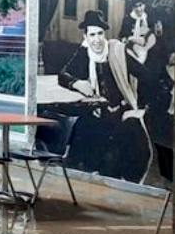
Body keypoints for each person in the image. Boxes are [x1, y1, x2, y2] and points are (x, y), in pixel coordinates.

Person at [59, 10, 151, 182]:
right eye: (92, 34)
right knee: (79, 138)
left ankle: (129, 187)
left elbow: (147, 76)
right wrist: (77, 83)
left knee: (137, 147)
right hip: (97, 113)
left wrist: (140, 109)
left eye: (100, 33)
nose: (97, 39)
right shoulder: (84, 53)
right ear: (86, 36)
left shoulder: (118, 51)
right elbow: (63, 76)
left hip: (122, 112)